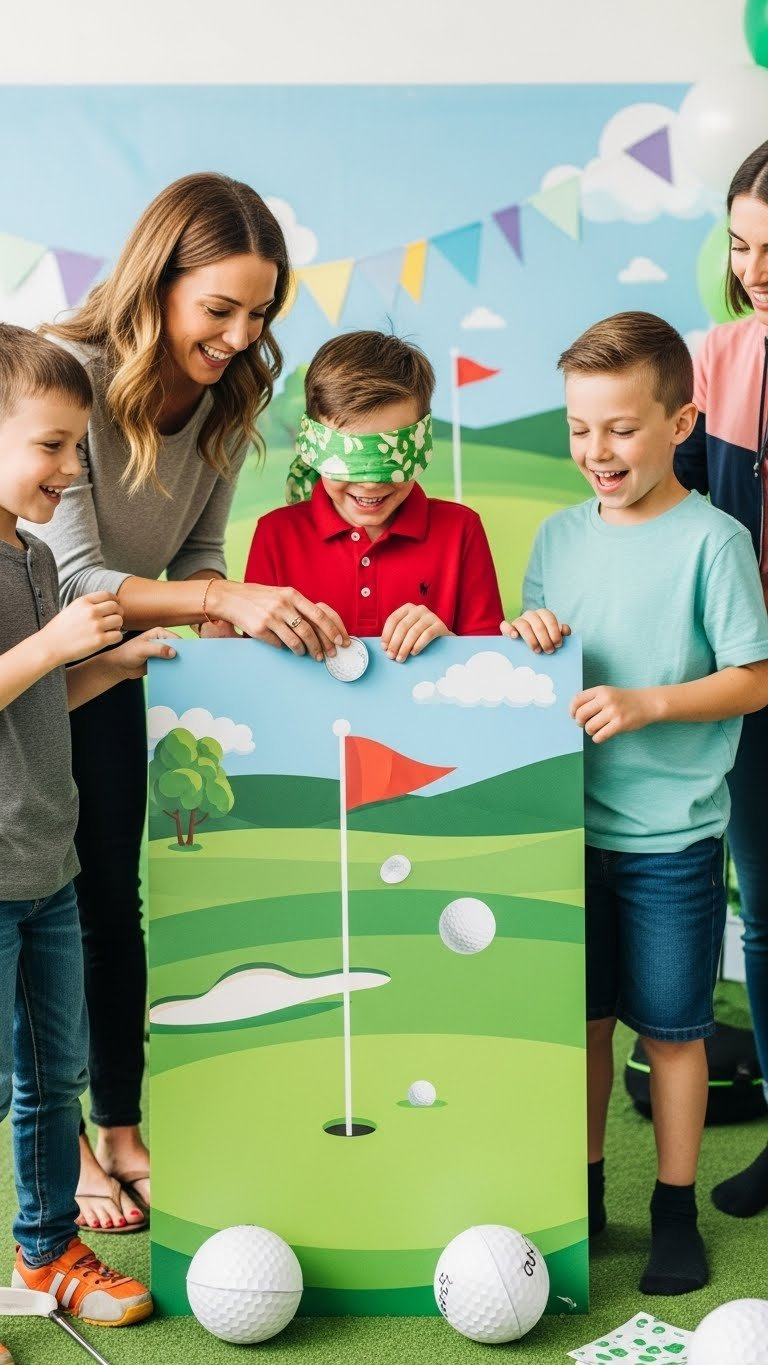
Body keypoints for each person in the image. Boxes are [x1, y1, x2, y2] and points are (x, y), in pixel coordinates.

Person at [25, 173, 348, 1234]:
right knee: (47, 906)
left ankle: (121, 1126)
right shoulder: (70, 374)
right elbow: (73, 578)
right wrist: (219, 599)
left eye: (260, 312)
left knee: (113, 905)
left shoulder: (229, 392)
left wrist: (223, 617)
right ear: (157, 281)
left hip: (123, 669)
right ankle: (67, 1144)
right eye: (219, 308)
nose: (240, 335)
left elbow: (199, 550)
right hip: (41, 661)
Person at [503, 312, 768, 1295]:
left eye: (620, 428)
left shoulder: (714, 541)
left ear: (681, 423)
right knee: (584, 1024)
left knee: (673, 1033)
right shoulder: (557, 536)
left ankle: (673, 1209)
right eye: (580, 428)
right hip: (568, 832)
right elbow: (536, 663)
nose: (597, 451)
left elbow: (754, 677)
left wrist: (650, 703)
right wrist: (526, 634)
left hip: (672, 839)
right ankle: (585, 1196)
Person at [0, 325, 179, 1354]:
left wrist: (109, 664)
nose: (71, 469)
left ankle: (47, 1252)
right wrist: (54, 643)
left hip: (47, 867)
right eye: (51, 446)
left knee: (53, 1074)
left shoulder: (32, 558)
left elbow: (35, 702)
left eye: (78, 447)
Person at [675, 139, 768, 1219]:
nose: (753, 270)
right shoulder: (717, 358)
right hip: (753, 685)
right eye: (740, 246)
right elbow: (677, 509)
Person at [245, 331, 504, 651]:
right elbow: (254, 660)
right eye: (350, 462)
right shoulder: (275, 535)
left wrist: (447, 648)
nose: (369, 484)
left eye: (389, 459)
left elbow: (490, 662)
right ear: (315, 446)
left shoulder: (461, 530)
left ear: (420, 442)